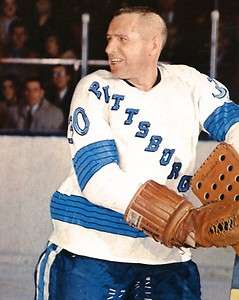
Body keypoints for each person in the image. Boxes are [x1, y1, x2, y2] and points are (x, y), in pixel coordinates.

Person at [34, 6, 239, 300]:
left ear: (153, 43)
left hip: (166, 260)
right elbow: (97, 176)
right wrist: (182, 222)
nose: (109, 48)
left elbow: (232, 122)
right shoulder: (95, 88)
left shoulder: (190, 82)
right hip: (89, 254)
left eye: (122, 39)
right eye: (108, 38)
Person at [47, 64, 75, 131]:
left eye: (61, 74)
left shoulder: (74, 95)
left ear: (68, 77)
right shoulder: (48, 95)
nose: (58, 78)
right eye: (55, 74)